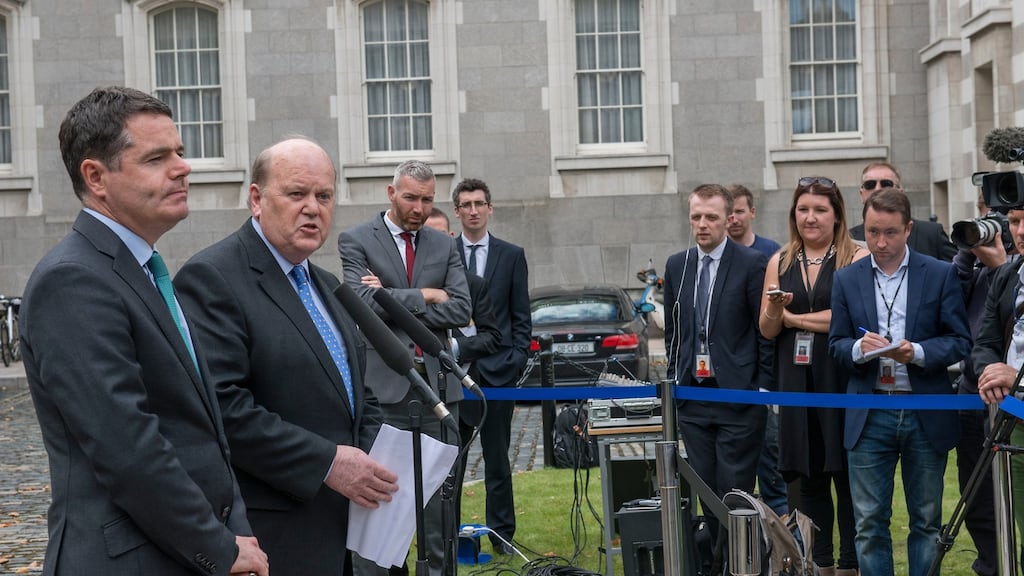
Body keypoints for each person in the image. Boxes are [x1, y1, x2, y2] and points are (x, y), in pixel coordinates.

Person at [19, 86, 268, 575]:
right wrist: (218, 550)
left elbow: (203, 433)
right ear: (96, 177)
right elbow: (129, 449)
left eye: (179, 151)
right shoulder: (72, 280)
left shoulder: (141, 270)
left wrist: (235, 532)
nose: (183, 167)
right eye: (157, 157)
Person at [173, 137, 399, 575]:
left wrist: (373, 458)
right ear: (256, 199)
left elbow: (356, 393)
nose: (313, 208)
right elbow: (223, 408)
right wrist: (327, 463)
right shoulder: (213, 277)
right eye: (297, 194)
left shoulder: (326, 283)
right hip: (271, 533)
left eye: (324, 196)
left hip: (344, 529)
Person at [338, 160, 471, 576]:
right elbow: (361, 304)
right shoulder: (356, 239)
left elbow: (462, 308)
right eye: (411, 197)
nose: (418, 207)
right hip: (384, 391)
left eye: (427, 199)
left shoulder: (444, 244)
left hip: (439, 391)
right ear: (391, 192)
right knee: (380, 505)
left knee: (439, 508)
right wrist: (427, 295)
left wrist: (393, 297)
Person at [829, 187, 970, 576]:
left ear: (908, 228)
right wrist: (858, 348)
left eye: (890, 232)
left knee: (926, 520)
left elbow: (960, 341)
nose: (880, 242)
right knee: (869, 523)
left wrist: (918, 353)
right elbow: (836, 345)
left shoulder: (939, 273)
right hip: (869, 409)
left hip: (925, 409)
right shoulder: (847, 279)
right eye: (872, 232)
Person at [759, 176, 867, 576]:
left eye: (820, 209)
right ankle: (820, 562)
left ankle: (852, 565)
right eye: (803, 209)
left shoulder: (856, 258)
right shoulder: (781, 260)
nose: (811, 217)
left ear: (837, 215)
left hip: (839, 377)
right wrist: (775, 311)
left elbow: (853, 319)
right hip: (796, 380)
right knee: (809, 475)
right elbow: (768, 328)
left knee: (846, 476)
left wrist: (794, 317)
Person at [663, 183, 772, 567]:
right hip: (694, 397)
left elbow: (763, 332)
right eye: (696, 217)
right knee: (706, 491)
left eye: (711, 217)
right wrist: (675, 378)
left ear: (729, 219)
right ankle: (717, 563)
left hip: (738, 398)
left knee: (735, 493)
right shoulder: (678, 264)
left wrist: (761, 388)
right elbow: (674, 330)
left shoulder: (752, 263)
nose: (703, 224)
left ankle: (738, 564)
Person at [450, 178, 532, 555]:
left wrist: (514, 360)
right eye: (465, 204)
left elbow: (521, 317)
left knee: (498, 461)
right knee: (451, 462)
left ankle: (501, 538)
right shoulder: (444, 253)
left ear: (490, 208)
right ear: (457, 211)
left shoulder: (511, 255)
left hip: (498, 373)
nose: (473, 210)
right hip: (453, 371)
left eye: (479, 203)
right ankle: (448, 537)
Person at [951, 194, 1008, 576]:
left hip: (1014, 394)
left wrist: (1004, 267)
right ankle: (991, 565)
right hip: (973, 389)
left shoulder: (1010, 268)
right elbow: (947, 306)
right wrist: (967, 257)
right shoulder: (975, 266)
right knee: (978, 495)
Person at [727, 184, 787, 517]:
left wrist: (768, 382)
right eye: (729, 211)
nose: (733, 218)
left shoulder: (771, 254)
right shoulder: (713, 258)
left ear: (752, 212)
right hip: (727, 384)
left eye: (739, 210)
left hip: (762, 381)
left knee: (773, 472)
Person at [971, 206, 1024, 570]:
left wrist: (1016, 377)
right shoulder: (1008, 274)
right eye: (1015, 221)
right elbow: (985, 340)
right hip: (1015, 426)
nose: (1019, 231)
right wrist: (991, 371)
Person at [849, 162, 957, 261]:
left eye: (886, 184)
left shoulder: (931, 234)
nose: (877, 189)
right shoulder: (849, 238)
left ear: (900, 192)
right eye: (870, 184)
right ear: (861, 194)